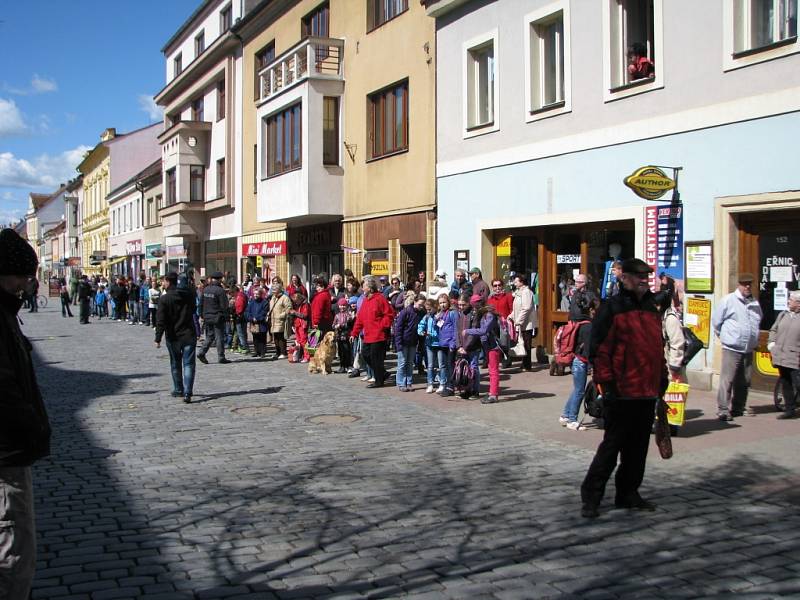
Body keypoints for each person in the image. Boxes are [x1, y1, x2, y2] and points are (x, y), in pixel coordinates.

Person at [580, 258, 668, 519]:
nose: (644, 280)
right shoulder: (612, 307)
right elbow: (599, 350)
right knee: (611, 447)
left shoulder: (653, 307)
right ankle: (591, 497)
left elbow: (655, 347)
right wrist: (607, 385)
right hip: (620, 390)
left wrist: (661, 378)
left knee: (638, 448)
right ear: (624, 278)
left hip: (646, 389)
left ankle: (628, 493)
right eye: (638, 275)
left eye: (647, 276)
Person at [0, 228, 52, 600]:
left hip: (11, 449)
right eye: (21, 276)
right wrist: (33, 430)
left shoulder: (5, 313)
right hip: (7, 451)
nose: (25, 285)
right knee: (13, 548)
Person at [711, 272, 762, 421]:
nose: (747, 287)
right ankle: (723, 409)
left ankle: (739, 407)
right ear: (738, 285)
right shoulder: (729, 300)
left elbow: (758, 319)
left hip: (748, 348)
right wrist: (726, 337)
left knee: (744, 380)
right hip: (732, 347)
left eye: (749, 284)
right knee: (728, 379)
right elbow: (716, 321)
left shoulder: (754, 302)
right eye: (744, 284)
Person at [155, 273, 198, 403]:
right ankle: (188, 392)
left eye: (164, 281)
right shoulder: (189, 296)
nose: (163, 283)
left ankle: (178, 389)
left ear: (169, 282)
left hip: (173, 336)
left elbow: (160, 320)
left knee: (175, 363)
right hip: (188, 334)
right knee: (189, 364)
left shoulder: (165, 299)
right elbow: (194, 309)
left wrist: (158, 338)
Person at [559, 298, 598, 430]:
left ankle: (565, 415)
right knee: (579, 391)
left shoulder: (579, 323)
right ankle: (572, 420)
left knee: (577, 390)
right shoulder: (589, 326)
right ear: (591, 310)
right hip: (581, 362)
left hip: (576, 360)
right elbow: (588, 349)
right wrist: (592, 366)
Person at [351, 276, 395, 388]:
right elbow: (360, 319)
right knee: (365, 355)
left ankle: (379, 380)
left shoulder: (380, 299)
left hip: (378, 335)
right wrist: (354, 333)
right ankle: (383, 373)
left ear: (370, 288)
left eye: (364, 287)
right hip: (368, 335)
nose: (362, 289)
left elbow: (389, 315)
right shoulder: (365, 301)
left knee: (376, 358)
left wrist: (382, 326)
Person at [768, 290, 800, 419]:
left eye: (791, 300)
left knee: (798, 383)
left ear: (798, 303)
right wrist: (771, 343)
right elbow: (773, 329)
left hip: (795, 356)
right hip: (781, 355)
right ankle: (789, 410)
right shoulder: (783, 314)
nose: (788, 301)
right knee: (786, 383)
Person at [198, 272, 230, 364]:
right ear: (220, 279)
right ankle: (221, 357)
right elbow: (224, 306)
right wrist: (227, 317)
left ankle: (202, 352)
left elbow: (201, 303)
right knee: (219, 337)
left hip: (207, 316)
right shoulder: (220, 291)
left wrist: (201, 314)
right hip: (217, 317)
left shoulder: (206, 289)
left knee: (210, 336)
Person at [395, 292, 423, 392]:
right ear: (414, 302)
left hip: (413, 342)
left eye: (422, 305)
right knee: (402, 363)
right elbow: (398, 329)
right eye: (420, 304)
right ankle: (401, 383)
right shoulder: (405, 312)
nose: (421, 307)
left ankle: (409, 382)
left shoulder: (420, 313)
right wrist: (398, 344)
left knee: (410, 363)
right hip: (403, 342)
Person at [510, 273, 537, 370]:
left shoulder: (526, 292)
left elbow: (526, 307)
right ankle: (524, 363)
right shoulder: (518, 292)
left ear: (522, 282)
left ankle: (527, 365)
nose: (514, 283)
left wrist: (519, 321)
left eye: (516, 281)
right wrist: (511, 316)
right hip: (520, 322)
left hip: (526, 323)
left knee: (526, 343)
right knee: (522, 343)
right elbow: (516, 307)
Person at [268, 283, 292, 359]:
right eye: (273, 289)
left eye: (275, 289)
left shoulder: (285, 298)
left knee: (281, 337)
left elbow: (289, 308)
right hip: (273, 320)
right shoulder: (273, 297)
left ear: (279, 290)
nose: (273, 291)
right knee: (275, 338)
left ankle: (283, 352)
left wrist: (281, 315)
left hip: (281, 320)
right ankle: (277, 352)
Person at [245, 287, 269, 358]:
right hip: (253, 323)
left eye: (257, 294)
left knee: (262, 338)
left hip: (261, 323)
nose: (255, 295)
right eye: (254, 294)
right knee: (255, 338)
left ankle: (262, 352)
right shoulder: (251, 302)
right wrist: (251, 318)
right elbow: (247, 312)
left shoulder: (264, 302)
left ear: (261, 294)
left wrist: (257, 318)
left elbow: (264, 312)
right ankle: (256, 351)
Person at [333, 298, 354, 373]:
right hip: (339, 337)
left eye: (344, 305)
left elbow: (349, 324)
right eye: (341, 305)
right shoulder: (337, 315)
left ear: (347, 306)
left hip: (346, 336)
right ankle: (342, 366)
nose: (342, 307)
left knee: (347, 351)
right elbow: (333, 325)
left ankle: (348, 366)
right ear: (338, 306)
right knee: (340, 352)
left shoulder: (348, 315)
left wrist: (341, 325)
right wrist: (335, 326)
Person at [289, 292, 311, 363]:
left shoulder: (305, 305)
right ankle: (301, 356)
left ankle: (306, 357)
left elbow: (305, 315)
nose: (295, 303)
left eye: (295, 301)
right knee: (299, 342)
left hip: (303, 325)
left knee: (304, 341)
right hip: (297, 325)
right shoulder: (297, 305)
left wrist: (294, 312)